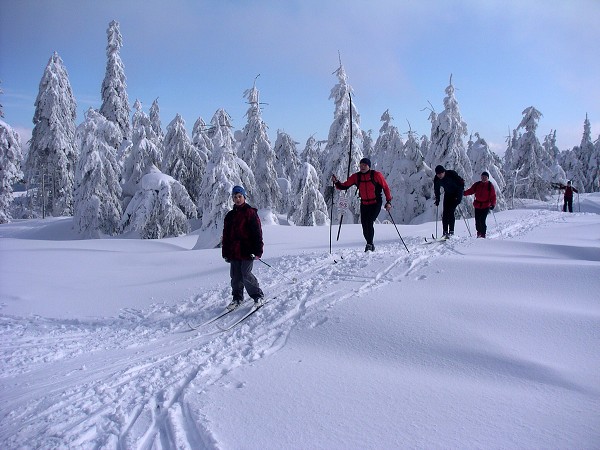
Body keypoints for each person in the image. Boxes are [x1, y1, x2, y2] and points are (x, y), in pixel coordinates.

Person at [332, 157, 392, 252]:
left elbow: (385, 187)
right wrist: (336, 182)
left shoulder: (376, 175)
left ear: (369, 166)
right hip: (364, 203)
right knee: (364, 224)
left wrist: (388, 202)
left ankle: (370, 244)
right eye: (361, 165)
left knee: (369, 222)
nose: (362, 167)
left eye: (365, 165)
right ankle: (369, 243)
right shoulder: (357, 177)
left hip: (375, 203)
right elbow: (344, 186)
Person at [222, 185, 264, 310]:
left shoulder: (250, 213)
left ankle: (257, 295)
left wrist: (258, 251)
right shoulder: (230, 215)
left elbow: (257, 233)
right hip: (234, 251)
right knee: (235, 276)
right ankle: (237, 298)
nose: (237, 199)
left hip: (248, 250)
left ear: (244, 197)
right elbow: (226, 236)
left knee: (245, 273)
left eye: (240, 196)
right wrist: (225, 252)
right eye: (235, 197)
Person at [433, 165, 465, 237]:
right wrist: (437, 198)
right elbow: (436, 189)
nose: (440, 175)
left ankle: (451, 231)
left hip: (456, 194)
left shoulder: (451, 174)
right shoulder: (436, 179)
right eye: (438, 174)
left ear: (444, 172)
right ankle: (445, 232)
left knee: (450, 211)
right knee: (445, 213)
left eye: (441, 173)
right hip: (447, 194)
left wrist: (458, 197)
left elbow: (461, 185)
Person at [463, 171, 497, 238]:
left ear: (488, 178)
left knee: (482, 220)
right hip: (477, 205)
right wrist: (464, 193)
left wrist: (493, 204)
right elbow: (471, 190)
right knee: (477, 220)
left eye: (485, 177)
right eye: (482, 177)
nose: (483, 178)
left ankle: (483, 234)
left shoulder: (490, 186)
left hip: (486, 205)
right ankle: (479, 233)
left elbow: (493, 196)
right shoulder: (477, 184)